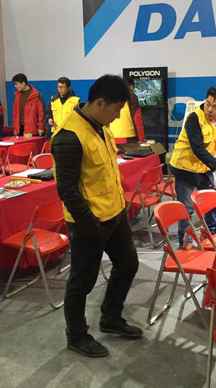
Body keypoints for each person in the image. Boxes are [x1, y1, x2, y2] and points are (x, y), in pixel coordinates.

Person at [52, 74, 141, 358]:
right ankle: (76, 335)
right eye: (116, 109)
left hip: (115, 213)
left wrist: (120, 210)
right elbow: (67, 190)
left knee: (128, 264)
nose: (118, 116)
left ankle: (111, 318)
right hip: (88, 223)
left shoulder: (101, 126)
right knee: (82, 281)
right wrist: (90, 226)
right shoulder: (68, 136)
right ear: (100, 102)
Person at [170, 86, 216, 248]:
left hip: (205, 167)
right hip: (184, 166)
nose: (209, 109)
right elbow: (198, 148)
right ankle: (185, 241)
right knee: (186, 207)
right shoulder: (194, 118)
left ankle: (210, 234)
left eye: (215, 106)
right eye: (208, 104)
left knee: (212, 201)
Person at [109, 77, 145, 143]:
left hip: (111, 137)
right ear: (131, 86)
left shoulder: (110, 97)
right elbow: (137, 118)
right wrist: (141, 139)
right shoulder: (131, 97)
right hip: (127, 137)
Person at [11, 73, 45, 137]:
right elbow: (15, 113)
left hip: (32, 128)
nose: (15, 86)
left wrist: (41, 127)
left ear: (23, 83)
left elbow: (41, 113)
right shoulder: (17, 96)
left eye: (16, 84)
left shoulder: (37, 95)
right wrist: (15, 127)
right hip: (19, 128)